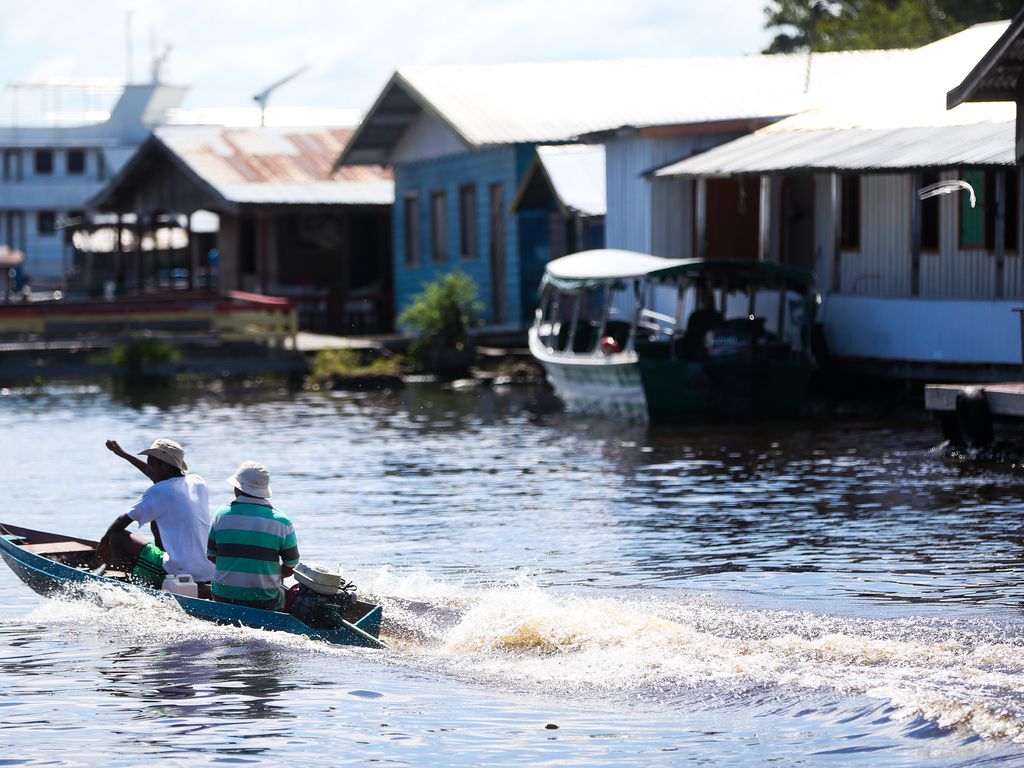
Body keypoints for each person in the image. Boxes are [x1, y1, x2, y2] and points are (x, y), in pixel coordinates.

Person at [95, 438, 216, 588]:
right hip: (209, 569)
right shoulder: (198, 482)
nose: (148, 469)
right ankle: (157, 570)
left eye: (151, 464)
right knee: (155, 517)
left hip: (180, 570)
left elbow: (122, 520)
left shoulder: (159, 491)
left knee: (116, 537)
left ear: (164, 466)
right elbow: (157, 476)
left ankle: (140, 586)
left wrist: (103, 543)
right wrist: (123, 454)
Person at [207, 461, 300, 611]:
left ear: (238, 488)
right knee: (287, 593)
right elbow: (291, 566)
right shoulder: (282, 522)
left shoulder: (221, 515)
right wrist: (267, 575)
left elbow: (212, 556)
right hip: (263, 601)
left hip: (222, 596)